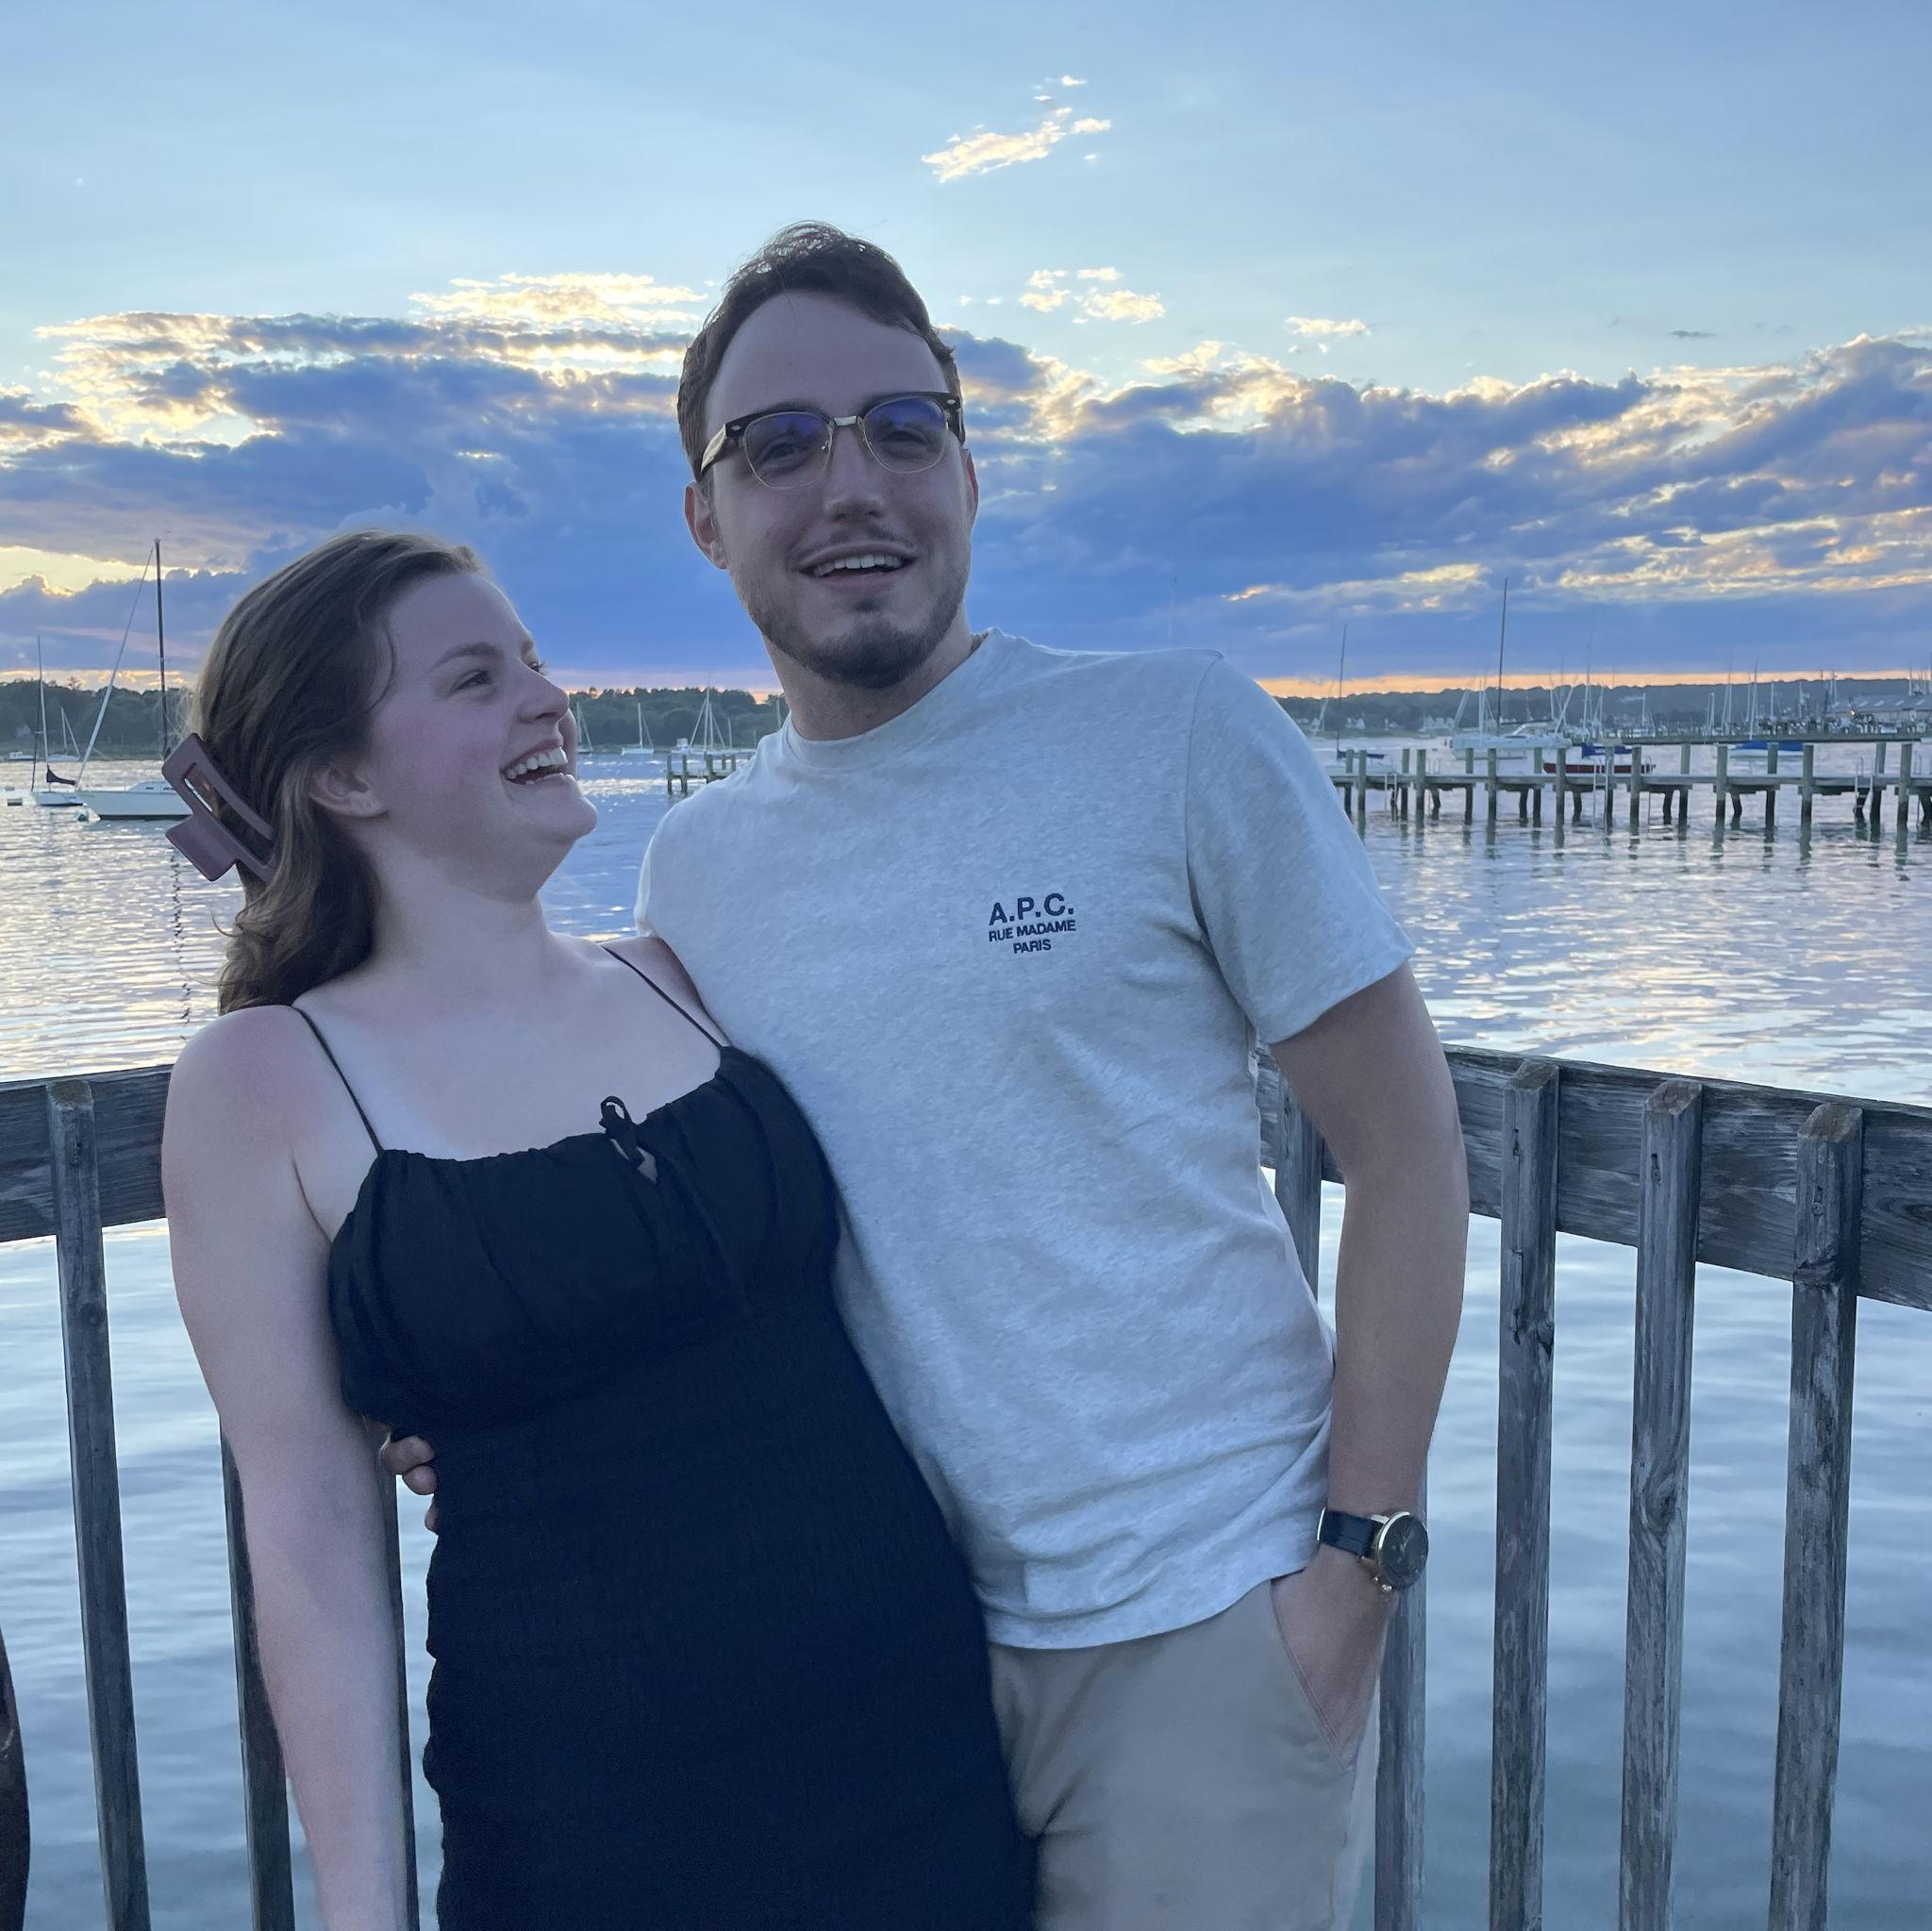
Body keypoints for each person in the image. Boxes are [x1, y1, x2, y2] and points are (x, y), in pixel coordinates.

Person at [389, 222, 1472, 1930]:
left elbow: (1408, 1154)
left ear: (969, 469)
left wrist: (1358, 1574)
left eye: (904, 428)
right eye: (781, 444)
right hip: (880, 1653)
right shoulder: (703, 870)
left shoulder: (1181, 735)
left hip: (1200, 1619)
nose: (852, 486)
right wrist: (473, 1370)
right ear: (706, 515)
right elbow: (579, 1127)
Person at [159, 529, 1035, 1931]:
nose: (544, 699)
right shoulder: (264, 1081)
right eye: (472, 678)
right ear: (343, 776)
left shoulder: (676, 972)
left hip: (914, 1741)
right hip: (586, 1813)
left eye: (536, 662)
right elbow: (311, 1541)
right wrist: (361, 1914)